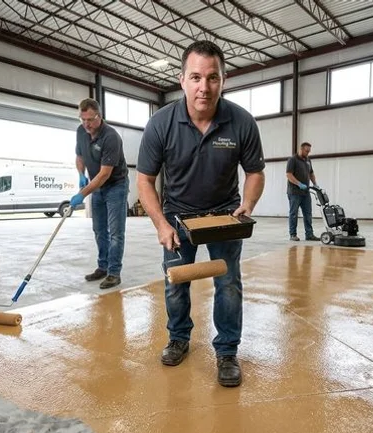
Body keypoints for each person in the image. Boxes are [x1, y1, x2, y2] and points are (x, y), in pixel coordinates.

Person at [136, 40, 266, 388]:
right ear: (182, 80)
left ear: (223, 80)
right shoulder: (161, 124)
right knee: (176, 283)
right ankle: (178, 338)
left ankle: (226, 351)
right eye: (196, 77)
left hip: (224, 215)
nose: (204, 87)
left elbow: (255, 172)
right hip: (178, 216)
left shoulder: (241, 122)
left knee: (228, 285)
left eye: (212, 78)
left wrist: (248, 206)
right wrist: (161, 224)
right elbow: (144, 180)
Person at [72, 98, 129, 290]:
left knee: (115, 232)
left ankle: (114, 273)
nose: (86, 124)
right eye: (83, 119)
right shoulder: (81, 131)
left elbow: (105, 174)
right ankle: (102, 267)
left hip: (115, 186)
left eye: (90, 119)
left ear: (99, 116)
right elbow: (79, 156)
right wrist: (81, 174)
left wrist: (82, 193)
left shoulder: (111, 137)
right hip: (97, 186)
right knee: (98, 230)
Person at [286, 142, 320, 241]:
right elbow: (289, 175)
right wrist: (299, 184)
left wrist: (315, 184)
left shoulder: (308, 160)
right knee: (294, 213)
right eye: (306, 151)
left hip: (306, 192)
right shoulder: (292, 160)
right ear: (301, 149)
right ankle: (293, 234)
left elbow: (311, 173)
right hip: (294, 192)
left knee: (308, 213)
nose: (308, 153)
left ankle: (309, 234)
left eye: (309, 151)